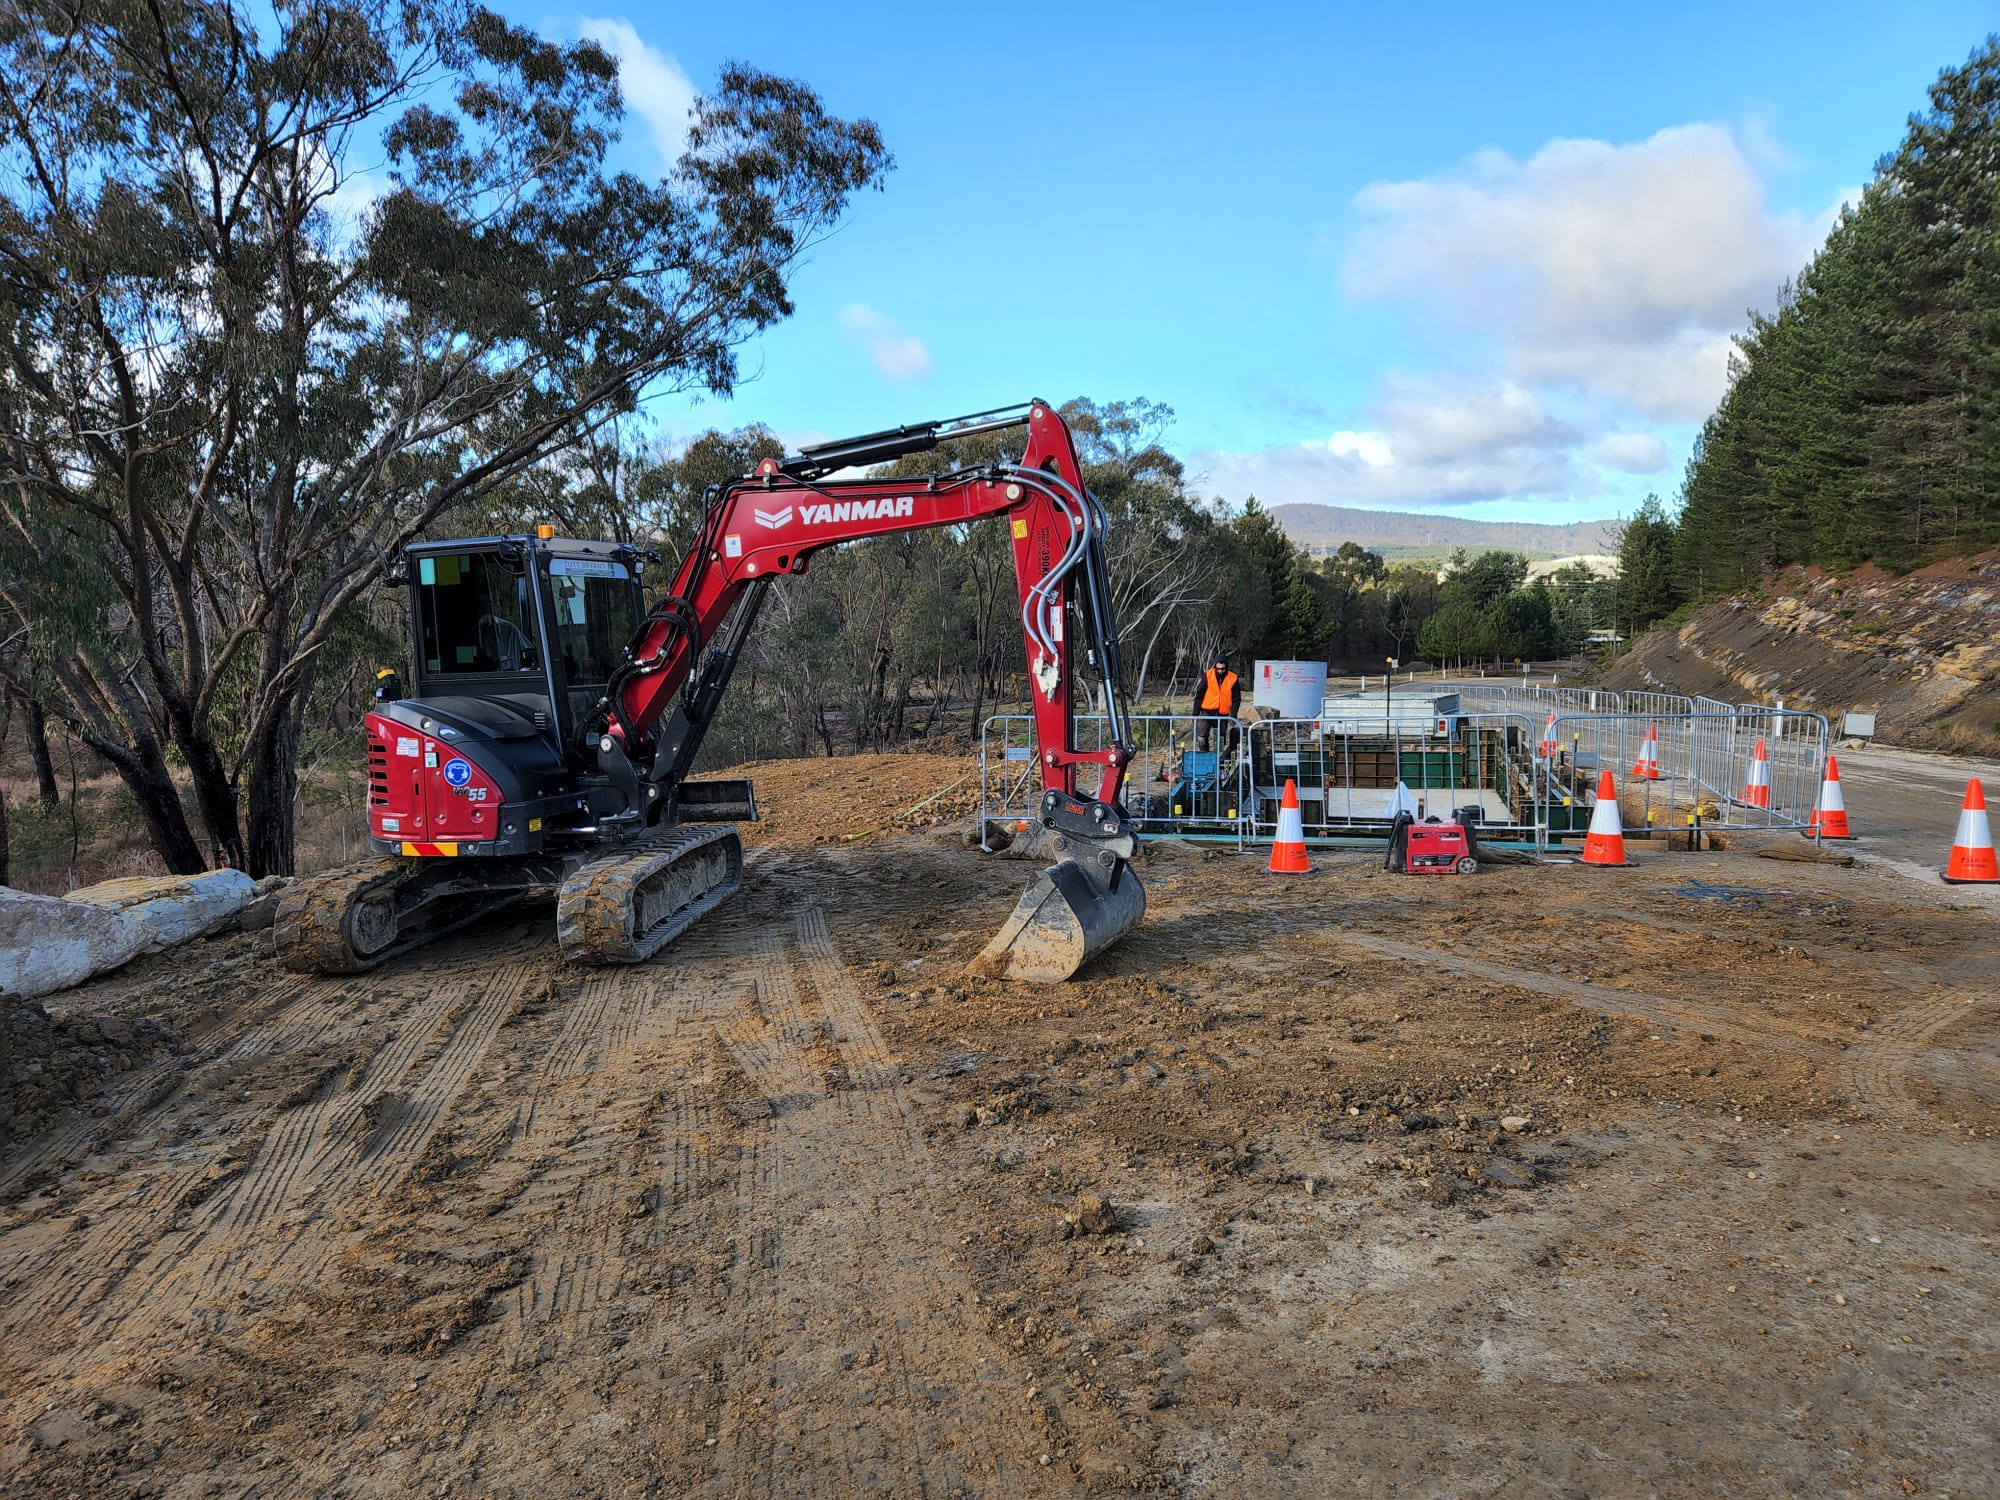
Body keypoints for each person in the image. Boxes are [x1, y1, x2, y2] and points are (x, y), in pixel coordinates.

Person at [1191, 653, 1242, 754]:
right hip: (1207, 711)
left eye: (1223, 669)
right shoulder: (1208, 675)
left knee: (1220, 738)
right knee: (1202, 736)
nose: (1220, 671)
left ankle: (1219, 756)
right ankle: (1205, 755)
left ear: (1226, 667)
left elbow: (1236, 698)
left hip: (1223, 713)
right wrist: (1195, 713)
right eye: (1218, 668)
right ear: (1215, 667)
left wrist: (1234, 714)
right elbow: (1199, 694)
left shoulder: (1233, 678)